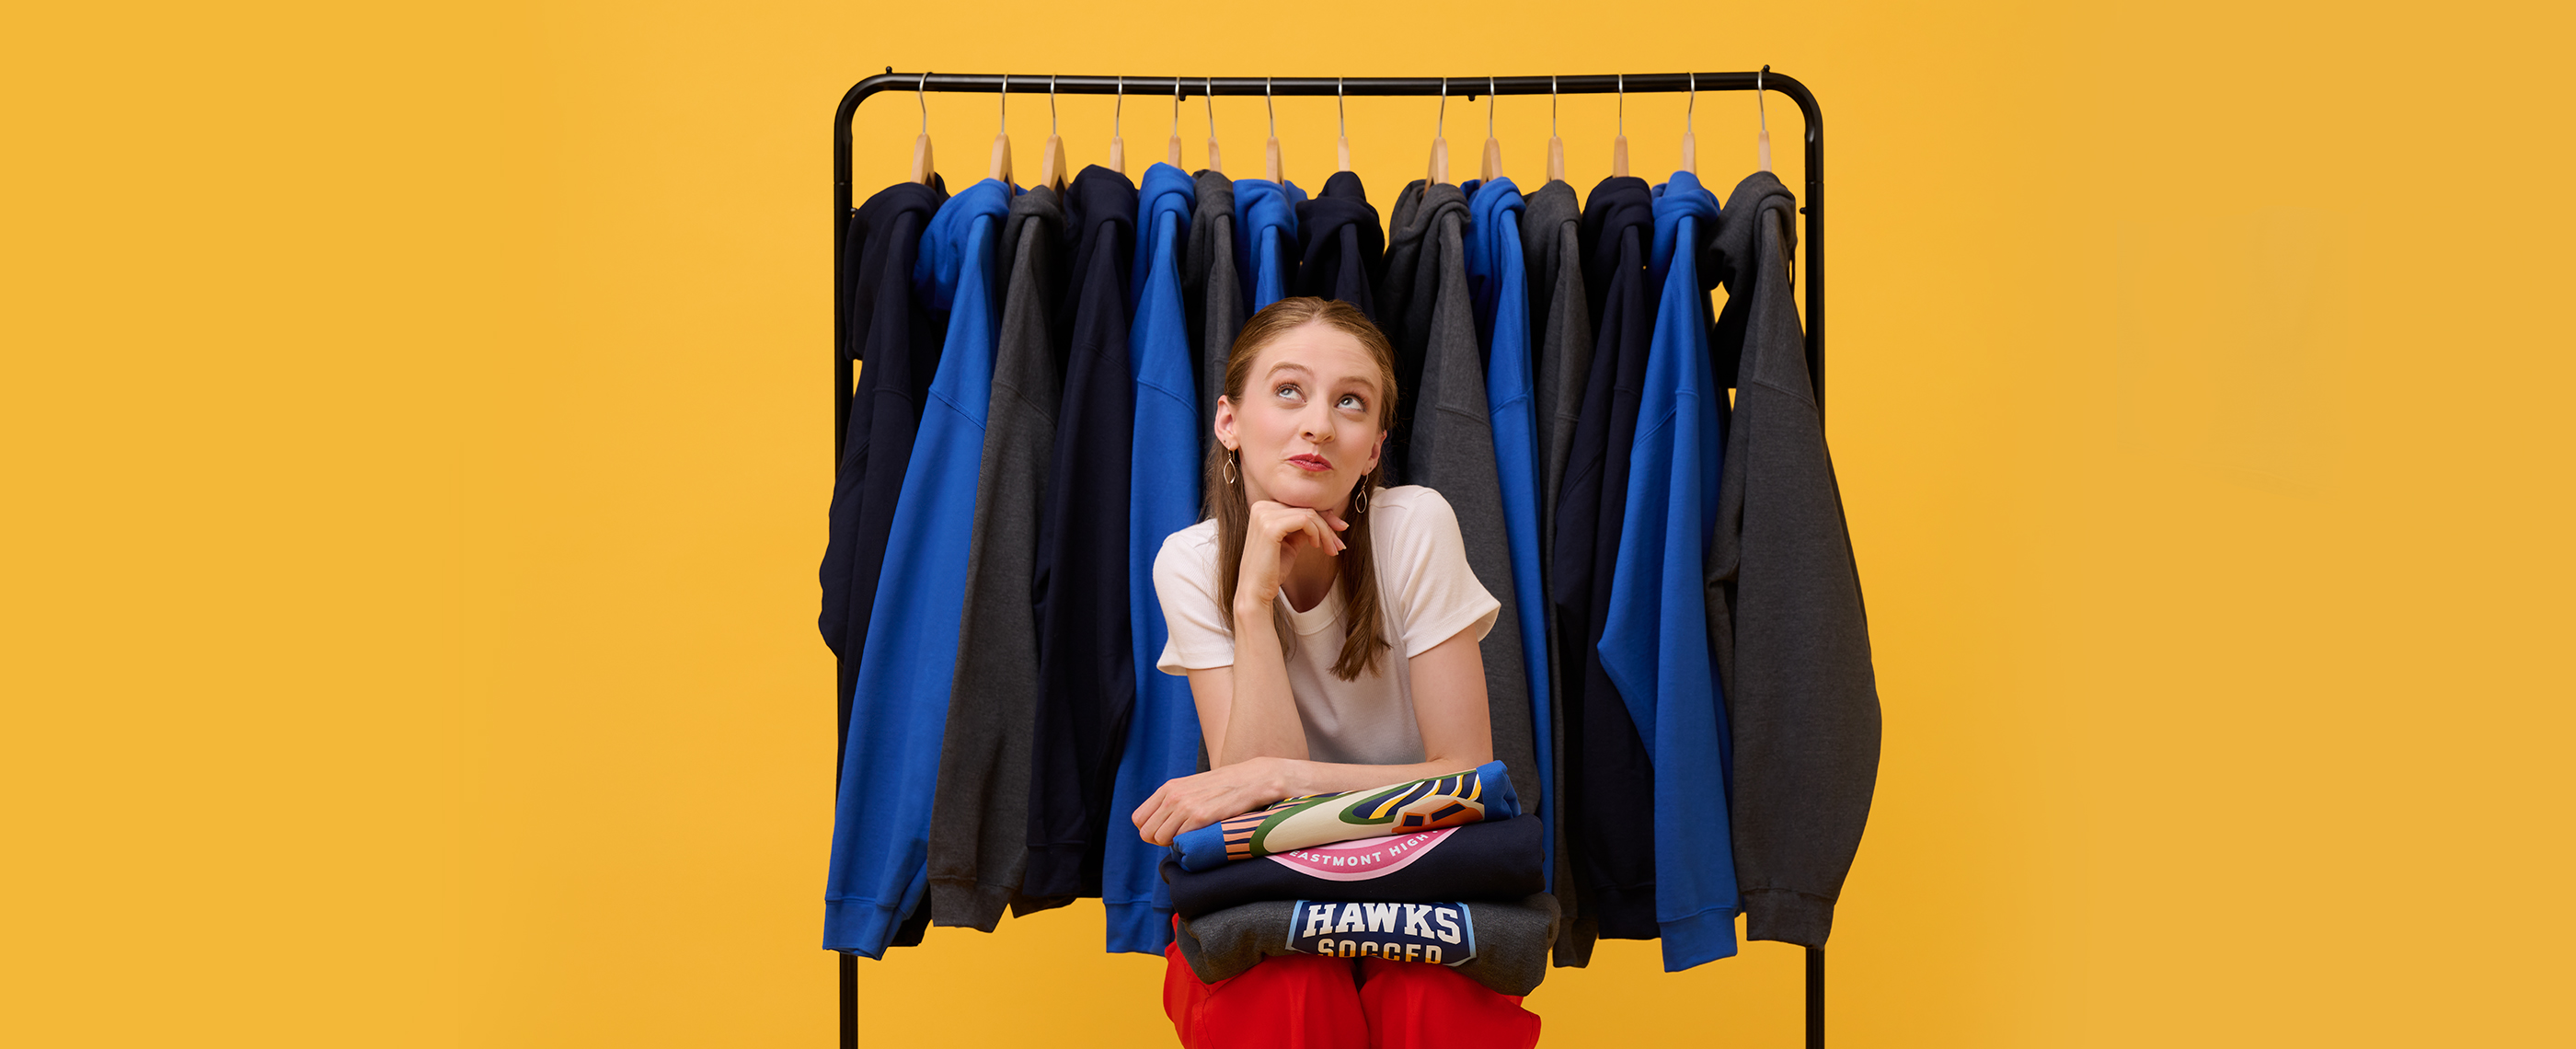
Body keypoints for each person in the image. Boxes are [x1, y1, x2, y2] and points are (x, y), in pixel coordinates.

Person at [1134, 297, 1543, 1049]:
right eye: (1289, 391)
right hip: (1272, 895)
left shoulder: (1415, 526)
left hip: (1429, 887)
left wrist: (1283, 779)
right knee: (1286, 982)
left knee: (1430, 991)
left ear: (1375, 447)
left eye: (1349, 402)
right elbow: (1247, 824)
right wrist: (1254, 602)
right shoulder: (1190, 564)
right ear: (1229, 422)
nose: (1318, 423)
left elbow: (1466, 780)